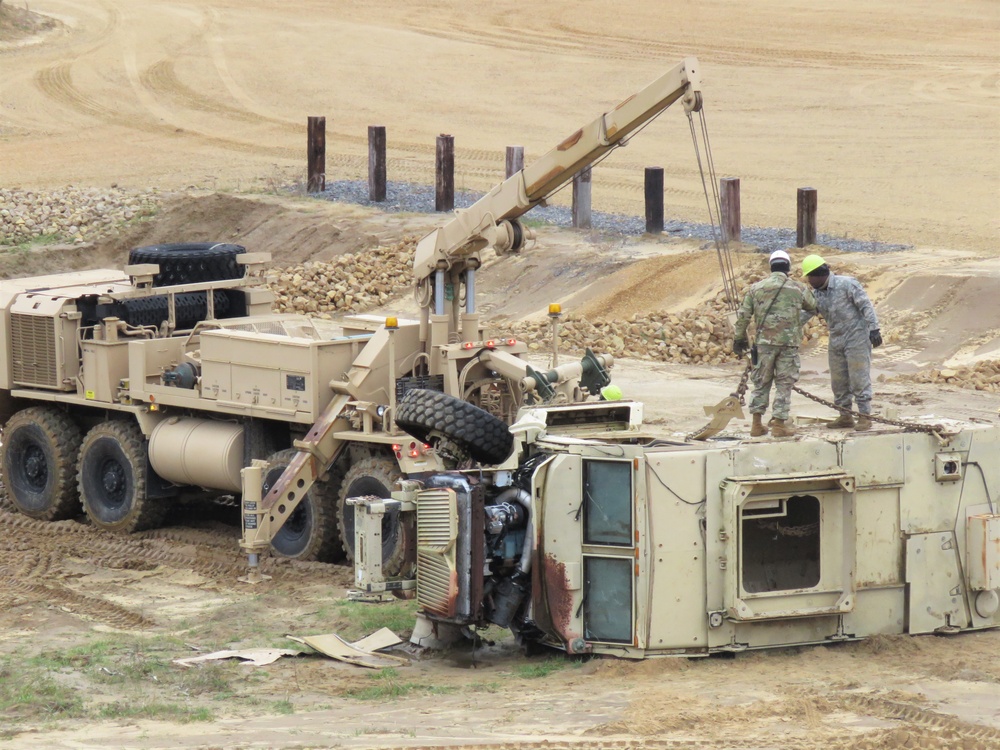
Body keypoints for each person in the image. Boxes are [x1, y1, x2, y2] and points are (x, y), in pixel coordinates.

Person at [733, 250, 817, 438]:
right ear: (788, 268)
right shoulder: (798, 288)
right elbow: (813, 306)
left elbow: (744, 316)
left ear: (771, 267)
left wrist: (739, 339)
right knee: (784, 384)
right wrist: (796, 322)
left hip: (764, 344)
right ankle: (778, 424)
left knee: (761, 383)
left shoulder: (756, 289)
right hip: (788, 344)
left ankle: (756, 424)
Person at [800, 254, 881, 431]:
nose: (809, 281)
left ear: (819, 274)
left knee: (858, 378)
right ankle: (845, 416)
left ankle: (864, 416)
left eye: (810, 277)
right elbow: (806, 314)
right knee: (838, 381)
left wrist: (874, 328)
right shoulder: (817, 295)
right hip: (836, 339)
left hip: (856, 337)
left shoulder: (847, 284)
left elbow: (865, 305)